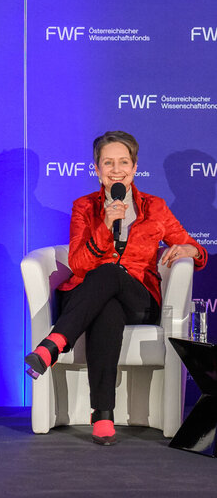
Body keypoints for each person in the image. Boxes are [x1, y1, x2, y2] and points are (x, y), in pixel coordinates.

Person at [25, 130, 208, 446]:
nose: (116, 169)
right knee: (106, 309)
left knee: (110, 275)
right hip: (88, 294)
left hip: (138, 296)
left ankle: (54, 343)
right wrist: (104, 226)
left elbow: (192, 245)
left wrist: (193, 251)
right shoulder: (85, 207)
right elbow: (80, 264)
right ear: (96, 169)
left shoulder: (155, 207)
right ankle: (103, 415)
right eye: (108, 163)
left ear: (135, 167)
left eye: (123, 162)